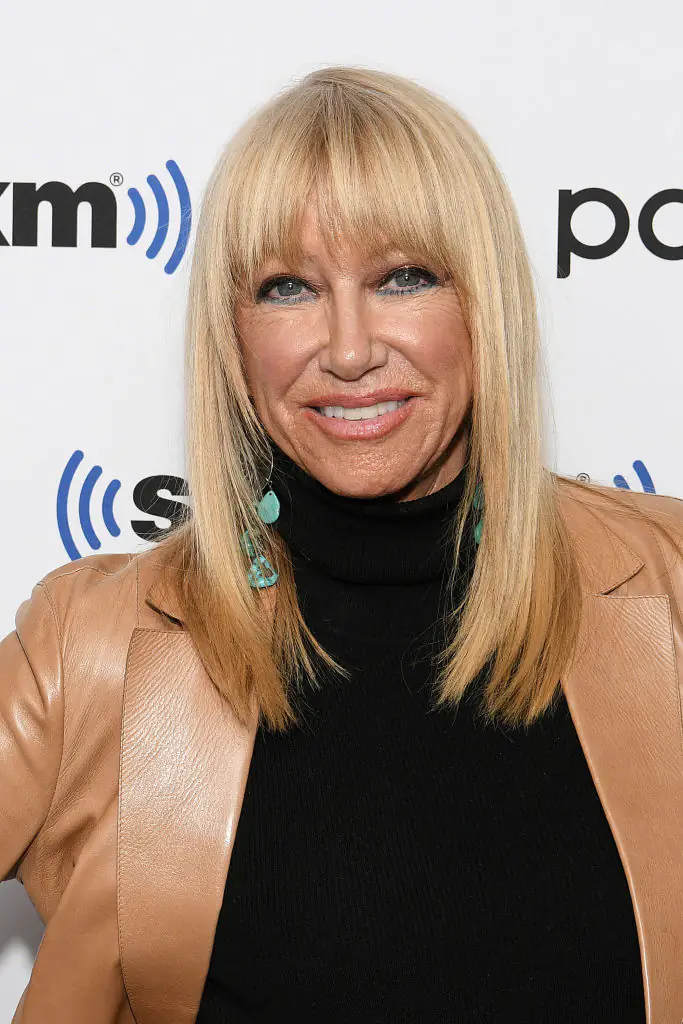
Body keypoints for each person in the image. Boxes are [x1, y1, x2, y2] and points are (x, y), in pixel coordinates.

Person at [1, 65, 682, 1024]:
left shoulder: (668, 588)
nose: (351, 349)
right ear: (233, 336)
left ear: (484, 303)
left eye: (404, 278)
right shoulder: (94, 643)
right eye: (287, 288)